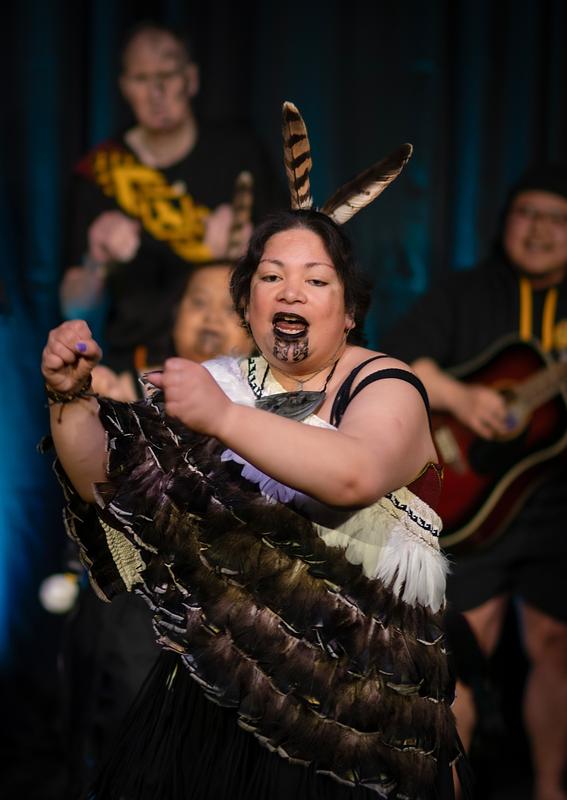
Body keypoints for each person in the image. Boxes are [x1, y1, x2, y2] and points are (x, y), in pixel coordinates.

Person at [42, 104, 465, 798]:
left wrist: (221, 420)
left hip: (354, 713)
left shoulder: (385, 384)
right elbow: (105, 487)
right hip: (214, 694)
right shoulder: (217, 383)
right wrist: (71, 400)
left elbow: (353, 472)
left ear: (349, 308)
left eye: (315, 278)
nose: (290, 289)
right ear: (247, 301)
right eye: (271, 276)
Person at [382, 166, 567, 800]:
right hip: (469, 503)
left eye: (556, 218)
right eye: (527, 214)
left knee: (556, 643)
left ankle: (550, 789)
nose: (539, 230)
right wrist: (462, 395)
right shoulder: (467, 293)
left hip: (557, 507)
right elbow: (397, 363)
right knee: (462, 647)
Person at [61, 21, 278, 373]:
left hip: (231, 363)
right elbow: (74, 307)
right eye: (142, 79)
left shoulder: (239, 151)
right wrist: (97, 261)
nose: (156, 92)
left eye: (167, 75)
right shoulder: (100, 172)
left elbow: (290, 264)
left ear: (191, 79)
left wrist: (248, 248)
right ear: (124, 88)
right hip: (137, 367)